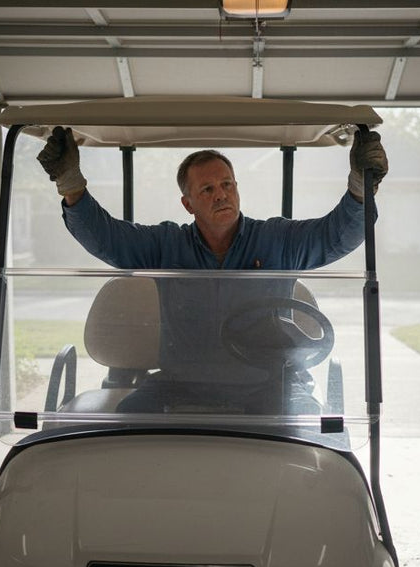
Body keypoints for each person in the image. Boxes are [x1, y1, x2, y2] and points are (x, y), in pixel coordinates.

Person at [37, 128, 388, 415]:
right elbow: (107, 239)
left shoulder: (278, 240)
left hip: (268, 383)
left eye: (227, 185)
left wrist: (361, 186)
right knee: (128, 421)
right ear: (188, 204)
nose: (221, 195)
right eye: (207, 189)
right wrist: (71, 184)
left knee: (311, 428)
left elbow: (337, 237)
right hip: (180, 381)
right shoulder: (166, 245)